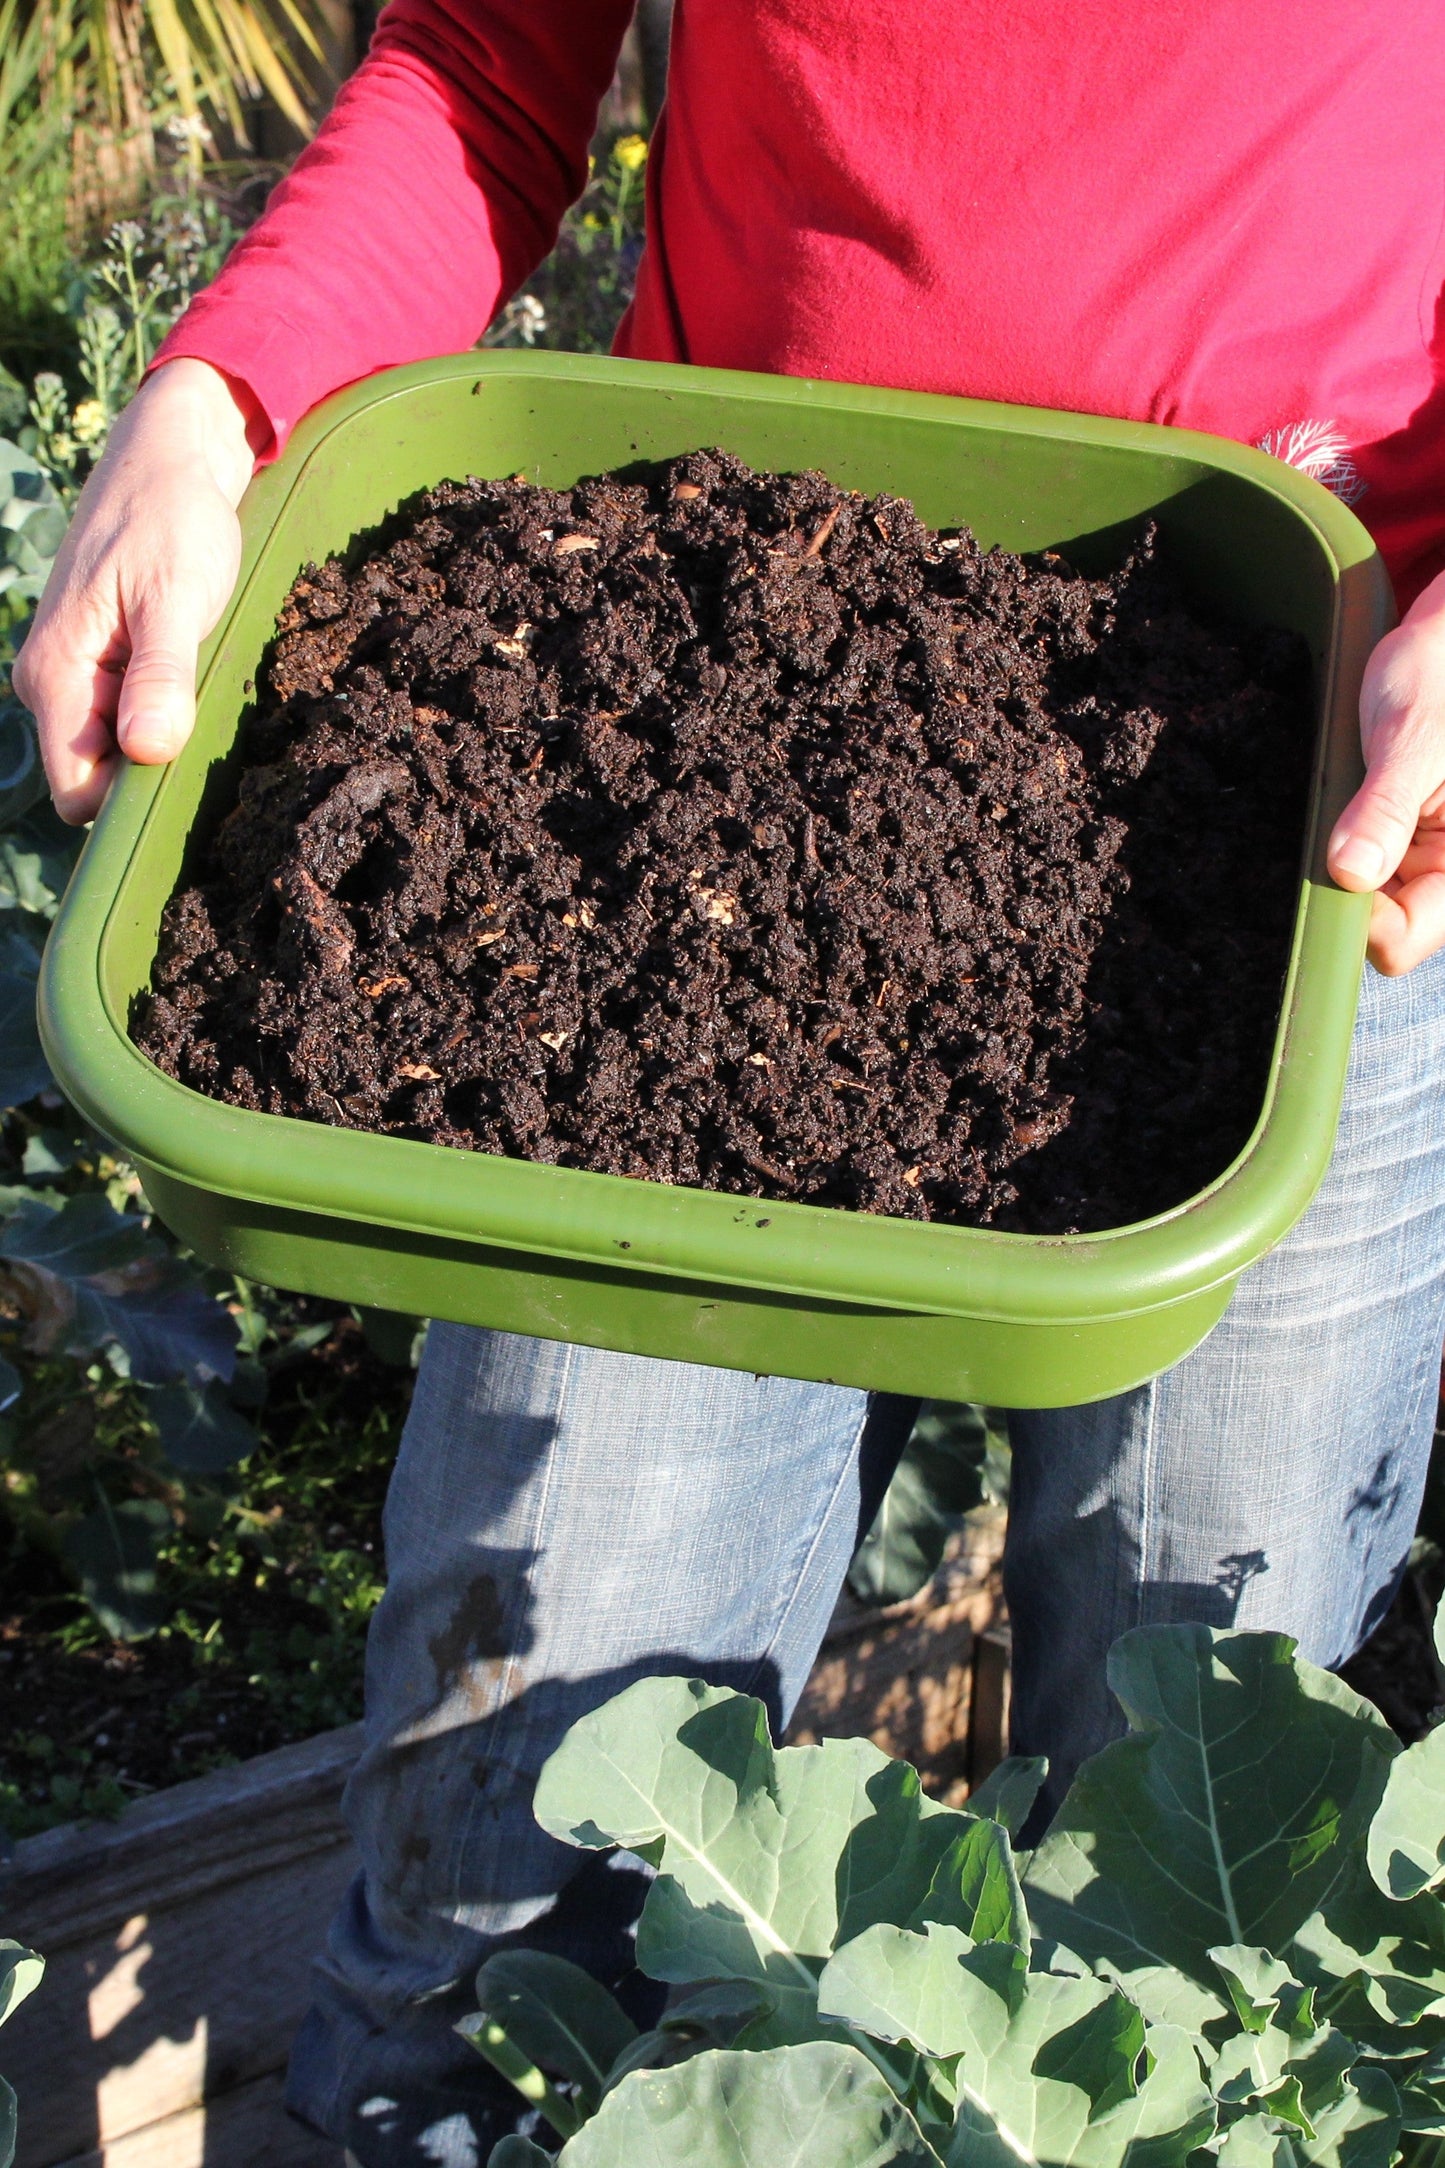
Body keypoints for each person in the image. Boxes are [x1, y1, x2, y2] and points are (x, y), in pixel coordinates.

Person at [16, 5, 1445, 2161]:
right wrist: (227, 394)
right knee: (511, 1908)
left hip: (1327, 788)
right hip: (679, 722)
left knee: (1204, 1908)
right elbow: (489, 65)